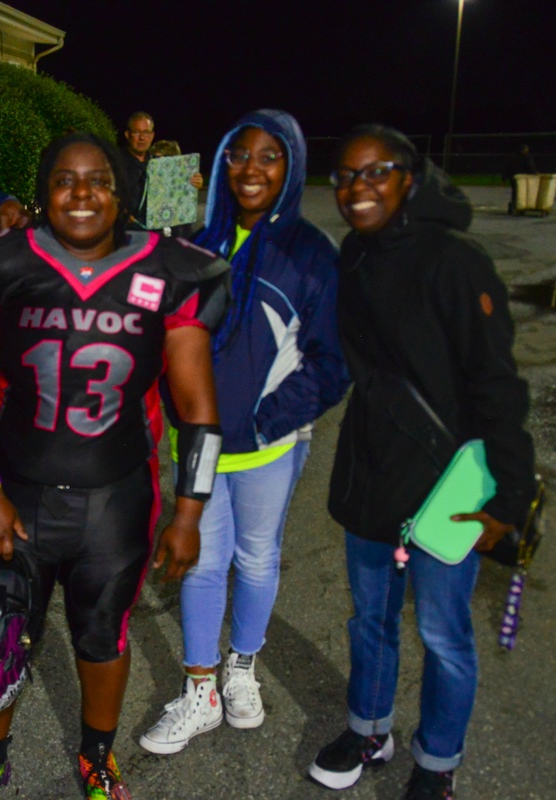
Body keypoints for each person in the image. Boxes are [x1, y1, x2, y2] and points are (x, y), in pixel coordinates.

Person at [0, 132, 229, 799]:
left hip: (115, 497)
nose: (82, 194)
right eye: (65, 180)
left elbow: (199, 409)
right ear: (43, 194)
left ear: (123, 192)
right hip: (16, 493)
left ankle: (97, 754)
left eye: (98, 179)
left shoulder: (176, 270)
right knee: (0, 634)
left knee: (103, 635)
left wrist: (188, 512)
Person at [309, 124, 536, 800]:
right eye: (346, 176)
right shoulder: (354, 254)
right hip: (372, 473)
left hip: (448, 488)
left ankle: (438, 761)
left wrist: (507, 500)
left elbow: (499, 389)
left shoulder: (455, 262)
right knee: (370, 620)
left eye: (375, 171)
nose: (357, 188)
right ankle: (370, 730)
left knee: (444, 635)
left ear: (410, 176)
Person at [140, 109, 348, 755]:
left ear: (291, 167)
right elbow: (158, 330)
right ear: (222, 162)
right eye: (240, 155)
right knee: (201, 561)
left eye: (269, 157)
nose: (252, 169)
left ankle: (241, 666)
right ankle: (199, 688)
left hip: (266, 445)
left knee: (256, 557)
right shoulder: (197, 239)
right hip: (198, 443)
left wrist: (266, 421)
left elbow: (332, 363)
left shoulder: (310, 252)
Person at [121, 112, 202, 229]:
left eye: (146, 132)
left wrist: (193, 183)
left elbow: (176, 195)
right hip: (126, 232)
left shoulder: (161, 164)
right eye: (136, 132)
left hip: (156, 233)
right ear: (128, 135)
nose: (142, 138)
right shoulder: (115, 163)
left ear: (152, 135)